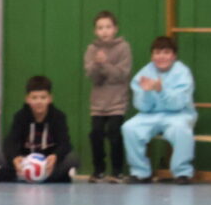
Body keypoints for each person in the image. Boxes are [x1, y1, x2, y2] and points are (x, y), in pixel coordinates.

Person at [121, 36, 196, 184]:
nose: (161, 57)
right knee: (129, 128)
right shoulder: (144, 73)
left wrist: (161, 90)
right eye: (157, 53)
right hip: (150, 115)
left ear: (174, 55)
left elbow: (178, 104)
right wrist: (147, 92)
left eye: (166, 52)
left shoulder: (182, 72)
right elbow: (142, 107)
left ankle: (182, 173)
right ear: (152, 56)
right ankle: (140, 172)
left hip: (178, 114)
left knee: (181, 130)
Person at [0, 76, 78, 183]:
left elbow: (65, 143)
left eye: (43, 97)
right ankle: (50, 177)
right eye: (34, 98)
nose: (39, 102)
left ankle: (20, 176)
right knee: (0, 157)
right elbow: (10, 142)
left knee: (72, 158)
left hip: (48, 161)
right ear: (27, 99)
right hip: (25, 160)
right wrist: (15, 158)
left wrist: (55, 156)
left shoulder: (58, 117)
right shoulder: (20, 116)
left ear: (50, 99)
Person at [84, 11, 132, 182]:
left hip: (117, 101)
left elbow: (121, 75)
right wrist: (97, 65)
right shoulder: (91, 49)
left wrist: (105, 64)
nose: (104, 31)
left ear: (115, 29)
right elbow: (94, 78)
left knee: (114, 134)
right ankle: (98, 170)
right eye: (100, 28)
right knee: (95, 134)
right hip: (98, 103)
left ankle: (117, 171)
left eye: (108, 27)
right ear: (95, 31)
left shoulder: (123, 47)